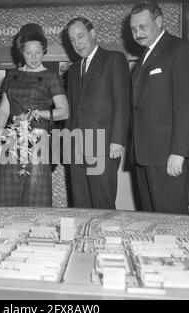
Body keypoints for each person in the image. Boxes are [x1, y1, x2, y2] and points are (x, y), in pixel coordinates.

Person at [129, 1, 189, 214]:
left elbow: (188, 105)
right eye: (133, 29)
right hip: (145, 154)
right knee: (153, 219)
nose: (137, 33)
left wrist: (178, 152)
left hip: (167, 155)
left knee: (171, 220)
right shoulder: (145, 55)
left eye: (142, 26)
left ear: (159, 22)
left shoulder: (179, 50)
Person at [0, 23, 69, 207]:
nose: (33, 57)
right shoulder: (11, 76)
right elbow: (4, 110)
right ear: (21, 52)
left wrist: (38, 113)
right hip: (12, 141)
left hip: (38, 143)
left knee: (34, 197)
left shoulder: (51, 77)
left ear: (44, 51)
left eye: (38, 52)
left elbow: (64, 111)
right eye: (28, 53)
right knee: (6, 196)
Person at [65, 17, 130, 209]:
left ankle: (105, 239)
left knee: (102, 204)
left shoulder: (114, 59)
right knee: (80, 203)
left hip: (102, 145)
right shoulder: (74, 69)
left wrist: (117, 140)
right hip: (76, 146)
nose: (77, 43)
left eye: (81, 36)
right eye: (72, 40)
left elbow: (122, 102)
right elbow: (71, 108)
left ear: (93, 34)